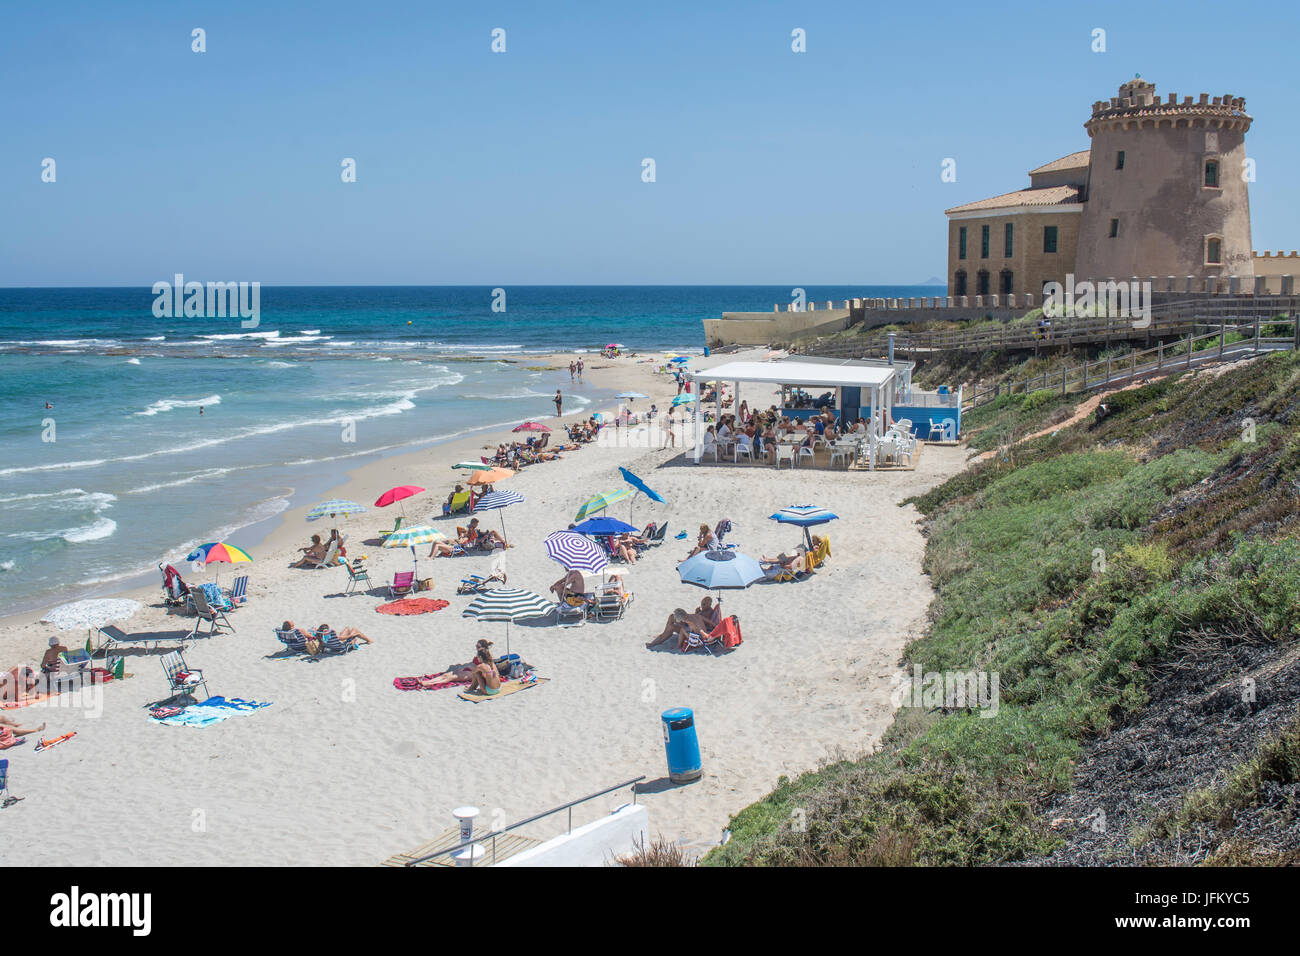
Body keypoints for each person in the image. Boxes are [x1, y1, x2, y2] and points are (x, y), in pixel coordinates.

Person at [646, 597, 721, 649]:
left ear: (709, 604)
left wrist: (682, 626)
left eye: (703, 604)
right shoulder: (699, 615)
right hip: (693, 624)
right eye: (701, 603)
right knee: (672, 617)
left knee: (673, 627)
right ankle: (664, 633)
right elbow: (711, 623)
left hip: (696, 634)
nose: (701, 606)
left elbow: (692, 630)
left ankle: (660, 641)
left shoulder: (707, 613)